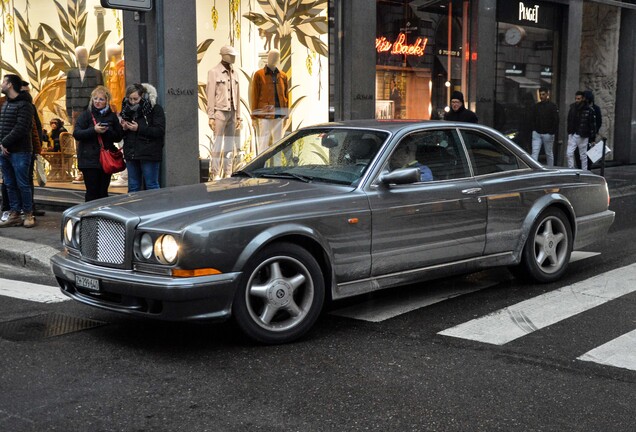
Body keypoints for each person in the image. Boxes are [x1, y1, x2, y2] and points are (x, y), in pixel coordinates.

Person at [72, 85, 123, 201]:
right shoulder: (86, 115)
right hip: (88, 159)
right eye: (95, 98)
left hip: (105, 159)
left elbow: (118, 137)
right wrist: (93, 130)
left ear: (107, 101)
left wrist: (107, 131)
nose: (97, 102)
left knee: (103, 192)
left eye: (101, 99)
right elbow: (77, 133)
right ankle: (90, 217)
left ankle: (102, 217)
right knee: (92, 192)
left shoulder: (111, 116)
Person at [0, 74, 35, 228]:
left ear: (10, 85)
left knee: (23, 184)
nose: (1, 84)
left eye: (3, 81)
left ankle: (28, 214)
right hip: (5, 151)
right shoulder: (6, 103)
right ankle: (15, 213)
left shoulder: (25, 105)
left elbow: (22, 128)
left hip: (21, 151)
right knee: (9, 184)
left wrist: (5, 143)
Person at [66, 46, 104, 184]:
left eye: (83, 56)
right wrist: (68, 112)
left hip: (92, 110)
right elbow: (68, 93)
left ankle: (99, 166)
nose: (81, 58)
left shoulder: (96, 73)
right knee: (78, 141)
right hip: (76, 110)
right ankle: (81, 171)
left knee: (95, 138)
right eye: (79, 56)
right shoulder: (71, 74)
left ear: (87, 56)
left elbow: (102, 92)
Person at [119, 83, 166, 192]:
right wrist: (124, 129)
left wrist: (139, 128)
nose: (132, 102)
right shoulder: (126, 110)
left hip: (149, 153)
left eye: (135, 99)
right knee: (133, 186)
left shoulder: (155, 109)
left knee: (151, 185)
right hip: (131, 152)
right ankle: (134, 209)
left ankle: (155, 209)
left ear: (143, 97)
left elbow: (159, 131)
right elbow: (119, 135)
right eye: (130, 99)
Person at [206, 45, 242, 179]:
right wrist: (211, 116)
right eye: (231, 55)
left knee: (229, 144)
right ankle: (215, 172)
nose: (233, 58)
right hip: (219, 112)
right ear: (224, 55)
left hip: (232, 112)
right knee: (217, 144)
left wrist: (239, 116)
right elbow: (210, 95)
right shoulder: (213, 72)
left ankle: (228, 172)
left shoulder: (235, 74)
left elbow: (238, 96)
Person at [250, 48, 289, 154]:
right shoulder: (259, 75)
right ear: (268, 58)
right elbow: (255, 95)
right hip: (265, 115)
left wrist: (286, 114)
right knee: (263, 141)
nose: (274, 59)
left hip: (278, 114)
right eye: (272, 56)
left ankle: (277, 166)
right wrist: (253, 116)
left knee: (278, 142)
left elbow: (286, 96)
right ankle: (261, 166)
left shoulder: (283, 76)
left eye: (276, 57)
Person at [566, 91, 596, 171]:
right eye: (576, 98)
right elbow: (569, 120)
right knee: (569, 153)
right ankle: (571, 170)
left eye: (578, 99)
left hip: (583, 134)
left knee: (583, 156)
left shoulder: (589, 110)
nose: (576, 100)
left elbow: (592, 125)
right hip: (573, 133)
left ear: (583, 99)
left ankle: (584, 171)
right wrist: (569, 132)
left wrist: (592, 138)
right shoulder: (573, 108)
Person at [530, 87, 559, 167]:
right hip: (538, 132)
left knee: (548, 153)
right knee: (535, 152)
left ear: (547, 94)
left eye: (543, 94)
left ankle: (550, 168)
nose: (541, 96)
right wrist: (534, 129)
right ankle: (534, 169)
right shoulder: (537, 106)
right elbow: (532, 118)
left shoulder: (552, 106)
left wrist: (551, 132)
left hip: (547, 133)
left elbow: (556, 120)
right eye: (540, 95)